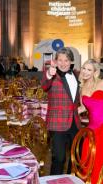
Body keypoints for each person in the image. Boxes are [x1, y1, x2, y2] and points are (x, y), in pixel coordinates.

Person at [41, 47, 81, 175]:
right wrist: (49, 74)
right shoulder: (52, 74)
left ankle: (71, 181)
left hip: (74, 122)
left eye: (66, 60)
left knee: (76, 156)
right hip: (57, 123)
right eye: (60, 60)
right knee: (59, 158)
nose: (63, 63)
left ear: (71, 62)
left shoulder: (76, 74)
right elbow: (44, 85)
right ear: (56, 61)